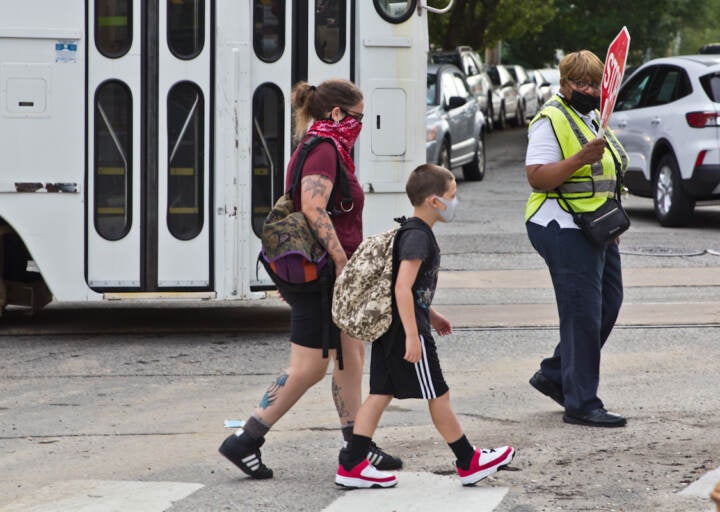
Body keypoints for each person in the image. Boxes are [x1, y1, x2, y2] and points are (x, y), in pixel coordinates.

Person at [219, 79, 401, 479]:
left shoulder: (323, 145)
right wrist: (341, 261)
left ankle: (358, 446)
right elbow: (314, 208)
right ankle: (246, 438)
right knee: (309, 366)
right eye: (358, 117)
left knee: (350, 357)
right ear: (336, 114)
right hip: (323, 274)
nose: (360, 125)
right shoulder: (322, 150)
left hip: (332, 272)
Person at [335, 164, 515, 488]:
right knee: (439, 395)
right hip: (404, 332)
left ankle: (351, 463)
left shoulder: (412, 231)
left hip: (392, 329)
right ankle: (468, 460)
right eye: (452, 195)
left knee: (379, 394)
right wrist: (413, 335)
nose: (455, 202)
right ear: (434, 201)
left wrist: (432, 315)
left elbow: (411, 289)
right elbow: (402, 287)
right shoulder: (418, 236)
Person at [523, 50, 630, 427]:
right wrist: (579, 159)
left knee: (608, 304)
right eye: (579, 83)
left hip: (594, 226)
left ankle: (555, 374)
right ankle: (582, 403)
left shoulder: (592, 115)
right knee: (582, 315)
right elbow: (537, 177)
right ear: (564, 83)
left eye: (593, 83)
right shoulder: (550, 119)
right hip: (560, 226)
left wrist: (610, 225)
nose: (587, 89)